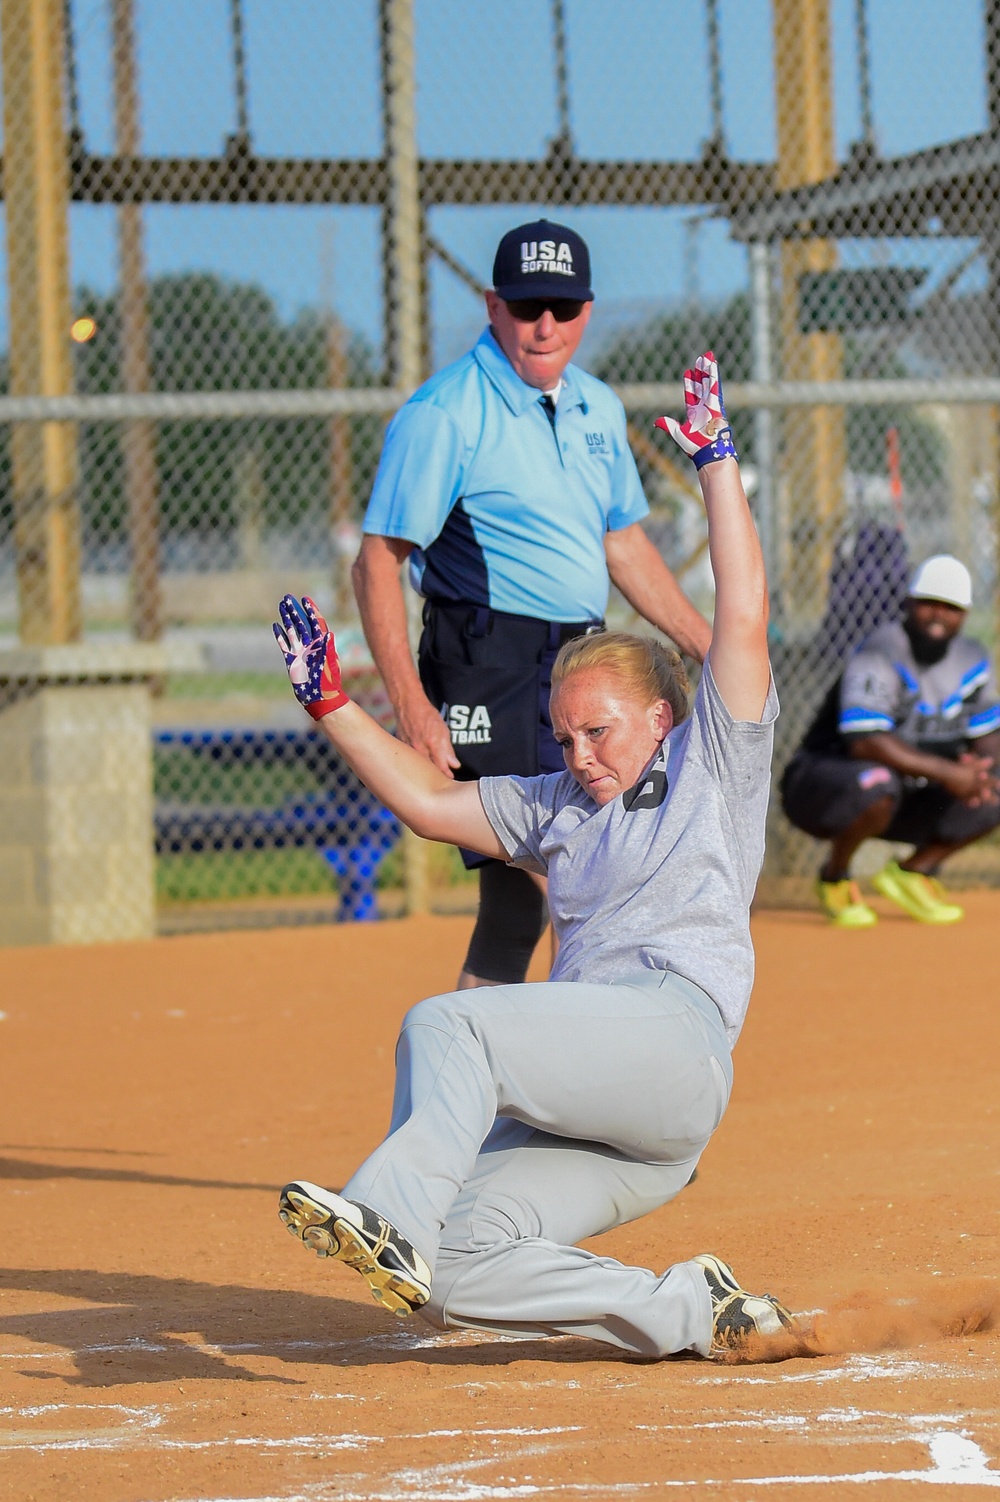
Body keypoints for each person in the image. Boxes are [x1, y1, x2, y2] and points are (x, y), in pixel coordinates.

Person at [272, 353, 799, 1365]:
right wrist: (330, 704)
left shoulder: (710, 762)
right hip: (618, 1119)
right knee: (455, 1266)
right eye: (562, 737)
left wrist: (716, 463)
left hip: (672, 1044)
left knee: (451, 1024)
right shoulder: (557, 804)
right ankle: (693, 1309)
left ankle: (387, 1211)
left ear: (659, 715)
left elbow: (739, 613)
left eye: (598, 731)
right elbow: (430, 800)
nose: (576, 754)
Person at [353, 217, 710, 991]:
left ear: (586, 308)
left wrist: (709, 644)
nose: (543, 325)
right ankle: (571, 1082)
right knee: (570, 873)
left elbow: (624, 544)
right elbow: (378, 563)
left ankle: (487, 1075)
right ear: (491, 306)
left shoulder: (597, 407)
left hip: (575, 661)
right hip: (487, 662)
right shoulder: (445, 413)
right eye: (524, 306)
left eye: (562, 306)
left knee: (520, 901)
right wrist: (411, 707)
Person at [781, 554, 1000, 928]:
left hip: (908, 788)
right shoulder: (880, 651)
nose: (937, 616)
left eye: (950, 608)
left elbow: (988, 736)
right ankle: (835, 877)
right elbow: (865, 741)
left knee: (995, 787)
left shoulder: (972, 659)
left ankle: (914, 872)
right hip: (823, 782)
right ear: (908, 604)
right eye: (929, 603)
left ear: (964, 614)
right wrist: (950, 772)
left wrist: (983, 771)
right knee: (878, 781)